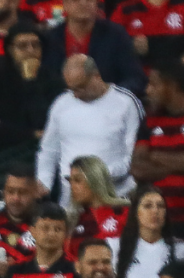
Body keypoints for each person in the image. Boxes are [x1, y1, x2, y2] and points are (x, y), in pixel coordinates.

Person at [37, 55, 144, 206]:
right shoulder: (61, 104)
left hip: (115, 195)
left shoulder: (125, 103)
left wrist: (96, 176)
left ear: (96, 76)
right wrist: (44, 182)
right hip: (70, 199)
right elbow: (49, 150)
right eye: (71, 88)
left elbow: (134, 155)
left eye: (80, 87)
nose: (76, 94)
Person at [0, 22, 64, 149]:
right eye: (23, 46)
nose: (30, 51)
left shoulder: (54, 80)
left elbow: (45, 121)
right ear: (10, 49)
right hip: (3, 151)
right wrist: (30, 134)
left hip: (45, 148)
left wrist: (31, 83)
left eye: (36, 45)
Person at [42, 0, 145, 94]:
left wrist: (108, 94)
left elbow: (135, 78)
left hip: (107, 106)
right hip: (62, 106)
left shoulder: (116, 35)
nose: (83, 3)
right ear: (64, 4)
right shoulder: (51, 39)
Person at [133, 59, 184, 236]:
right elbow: (138, 168)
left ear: (171, 85)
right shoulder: (149, 120)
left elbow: (147, 161)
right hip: (159, 224)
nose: (148, 91)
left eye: (154, 84)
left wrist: (155, 156)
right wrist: (177, 164)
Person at [110, 188, 184, 278]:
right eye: (148, 206)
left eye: (160, 206)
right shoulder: (114, 246)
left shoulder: (180, 249)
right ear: (136, 212)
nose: (155, 211)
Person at [66, 156, 130, 258]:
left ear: (95, 180)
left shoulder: (124, 212)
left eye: (77, 180)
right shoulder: (72, 220)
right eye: (70, 181)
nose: (72, 186)